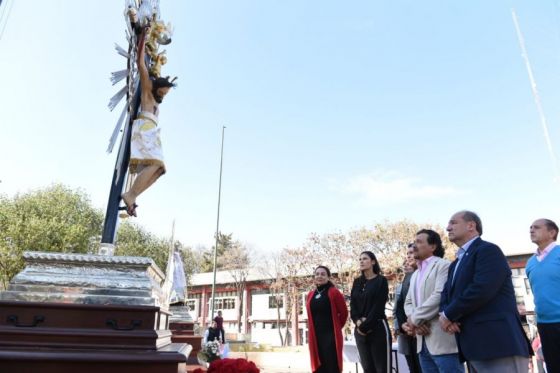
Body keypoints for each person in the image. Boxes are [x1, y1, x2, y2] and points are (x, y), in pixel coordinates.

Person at [439, 210, 531, 372]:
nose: (447, 228)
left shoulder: (488, 250)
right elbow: (446, 294)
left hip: (498, 343)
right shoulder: (455, 263)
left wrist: (448, 315)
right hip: (474, 346)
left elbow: (482, 289)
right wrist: (445, 314)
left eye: (453, 222)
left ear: (471, 226)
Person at [121, 23, 176, 217]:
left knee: (160, 169)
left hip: (151, 131)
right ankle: (130, 194)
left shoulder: (157, 101)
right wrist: (143, 37)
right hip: (144, 128)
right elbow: (141, 64)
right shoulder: (147, 91)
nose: (164, 94)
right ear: (157, 87)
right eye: (163, 90)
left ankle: (132, 195)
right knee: (156, 163)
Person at [403, 229, 463, 372]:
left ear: (433, 246)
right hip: (421, 342)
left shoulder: (443, 265)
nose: (414, 246)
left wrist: (414, 320)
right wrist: (415, 322)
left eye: (419, 242)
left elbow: (439, 295)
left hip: (442, 341)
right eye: (414, 242)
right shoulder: (416, 273)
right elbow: (408, 302)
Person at [526, 218, 560, 372]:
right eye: (531, 228)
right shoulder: (530, 263)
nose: (531, 230)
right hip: (544, 325)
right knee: (553, 368)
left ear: (552, 232)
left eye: (537, 227)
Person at [350, 251, 392, 373]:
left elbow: (378, 307)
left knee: (382, 369)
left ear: (373, 261)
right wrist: (358, 321)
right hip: (359, 330)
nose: (361, 261)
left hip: (377, 328)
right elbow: (353, 305)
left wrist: (365, 325)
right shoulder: (357, 282)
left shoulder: (381, 281)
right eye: (360, 259)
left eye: (365, 258)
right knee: (368, 369)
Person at [306, 265, 349, 373]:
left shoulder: (334, 292)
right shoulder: (310, 294)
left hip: (331, 337)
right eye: (317, 274)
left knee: (331, 365)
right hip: (315, 336)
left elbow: (344, 313)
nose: (319, 276)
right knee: (319, 366)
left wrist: (337, 328)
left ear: (328, 277)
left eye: (323, 274)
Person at [394, 243, 422, 373]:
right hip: (407, 331)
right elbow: (399, 306)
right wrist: (403, 326)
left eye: (412, 252)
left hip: (422, 329)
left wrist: (415, 323)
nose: (409, 256)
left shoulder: (423, 274)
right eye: (408, 253)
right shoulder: (406, 279)